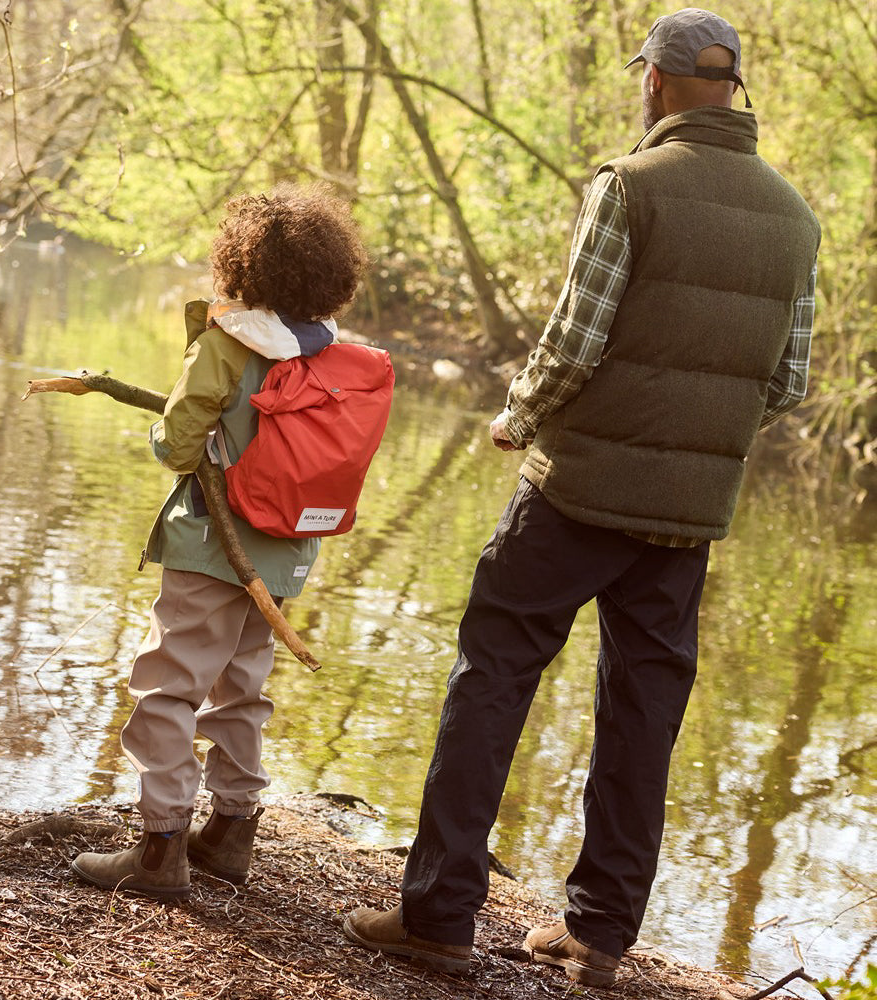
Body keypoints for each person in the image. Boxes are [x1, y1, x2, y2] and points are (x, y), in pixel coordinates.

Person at [342, 7, 819, 988]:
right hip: (688, 520)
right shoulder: (794, 219)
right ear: (732, 89)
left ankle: (436, 913)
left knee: (493, 672)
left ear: (655, 83)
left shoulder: (629, 186)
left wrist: (516, 415)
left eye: (640, 75)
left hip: (577, 493)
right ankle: (597, 937)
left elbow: (574, 341)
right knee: (644, 711)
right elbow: (788, 383)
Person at [72, 185, 368, 900]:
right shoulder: (333, 356)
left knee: (168, 686)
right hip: (286, 553)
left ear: (243, 266)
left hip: (213, 544)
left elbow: (177, 448)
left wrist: (169, 425)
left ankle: (160, 847)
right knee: (241, 687)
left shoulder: (227, 345)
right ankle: (232, 831)